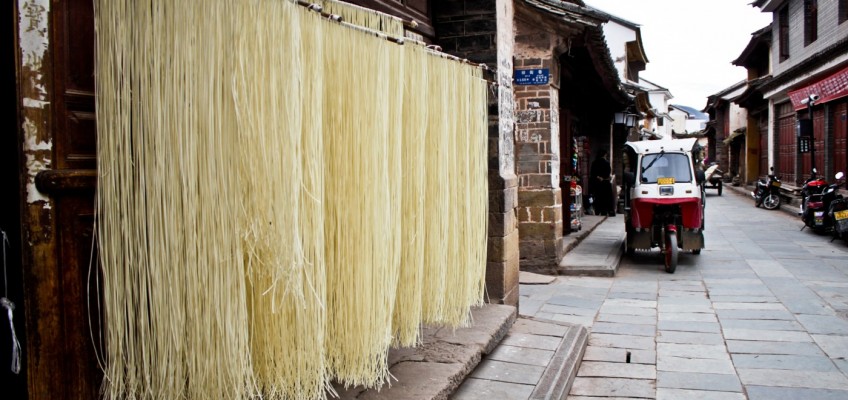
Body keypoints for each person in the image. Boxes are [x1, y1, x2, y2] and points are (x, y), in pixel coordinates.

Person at [590, 149, 614, 216]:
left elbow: (592, 173)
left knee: (598, 197)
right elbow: (608, 172)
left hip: (597, 183)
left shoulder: (594, 163)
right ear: (605, 155)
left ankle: (597, 211)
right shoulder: (606, 163)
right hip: (605, 183)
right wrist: (603, 178)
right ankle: (605, 211)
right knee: (606, 198)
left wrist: (598, 177)